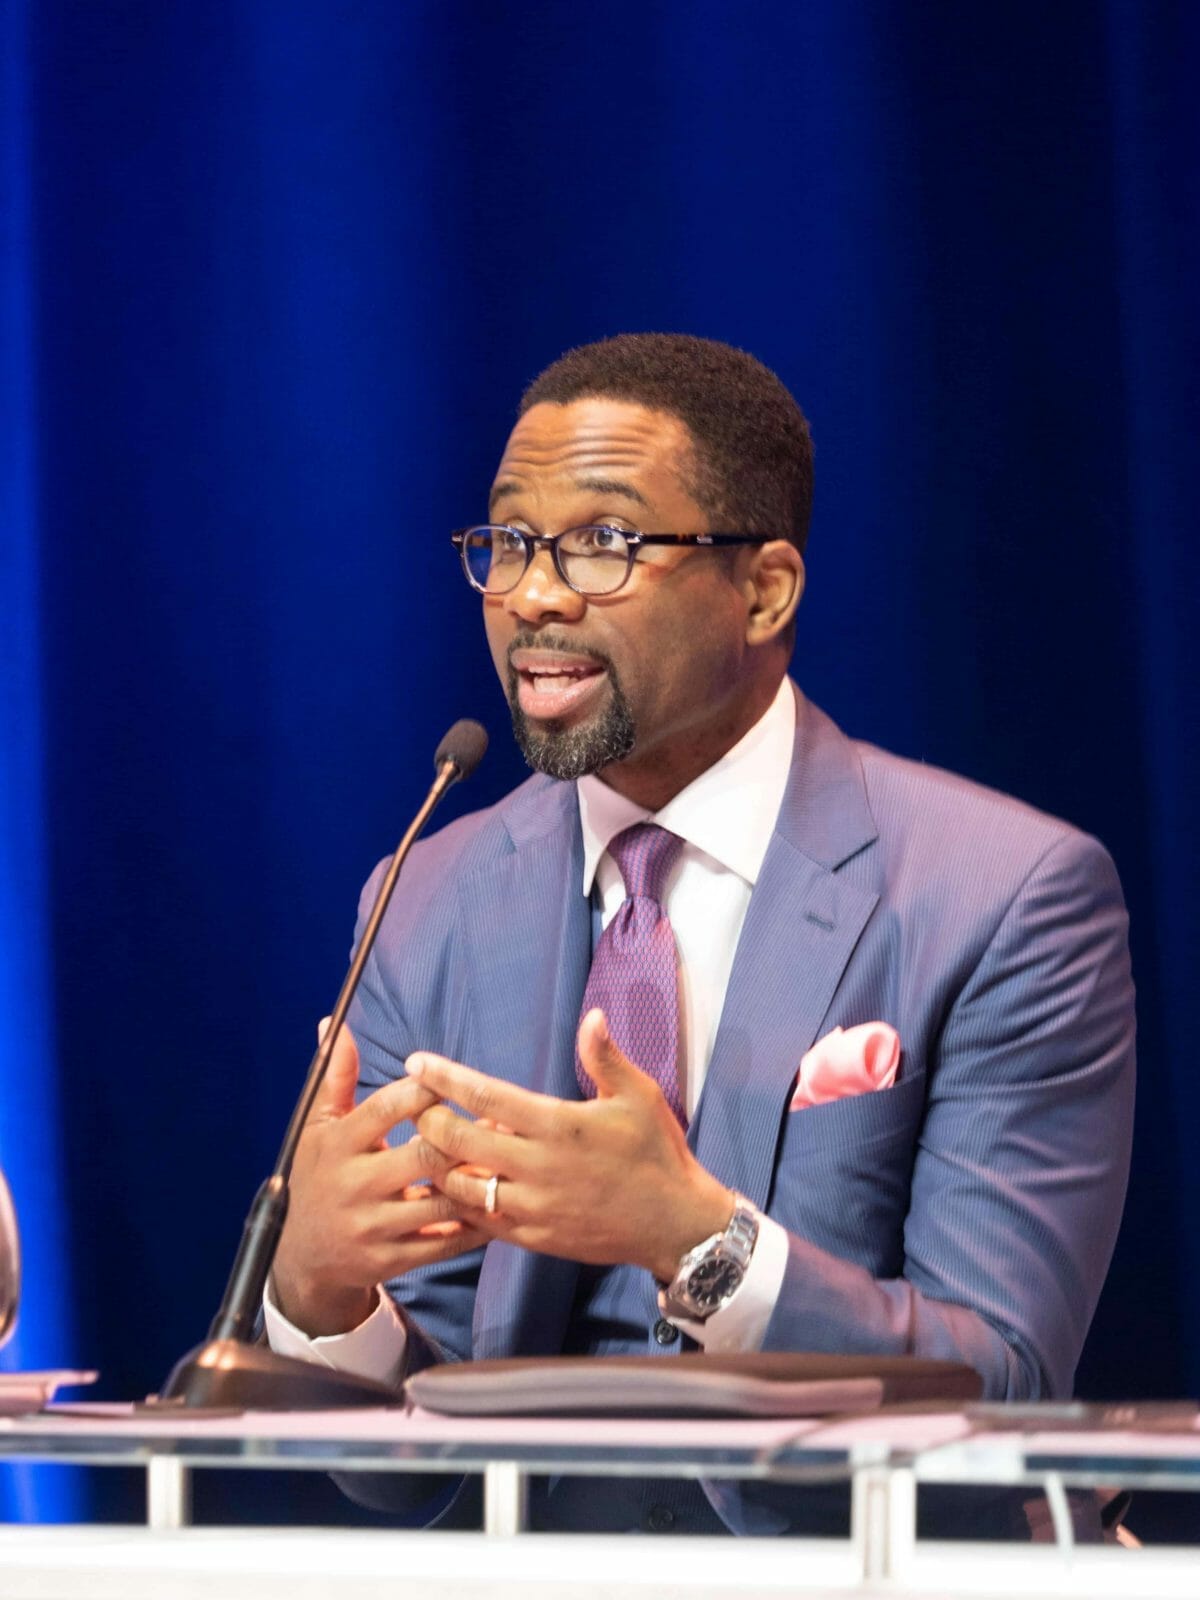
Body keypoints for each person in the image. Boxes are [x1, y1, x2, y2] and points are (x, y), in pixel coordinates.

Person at [265, 334, 1135, 1535]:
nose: (534, 595)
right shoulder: (429, 895)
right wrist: (322, 1291)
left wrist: (692, 1235)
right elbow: (412, 1466)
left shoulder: (1005, 895)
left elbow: (1004, 1384)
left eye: (604, 543)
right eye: (508, 541)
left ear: (765, 590)